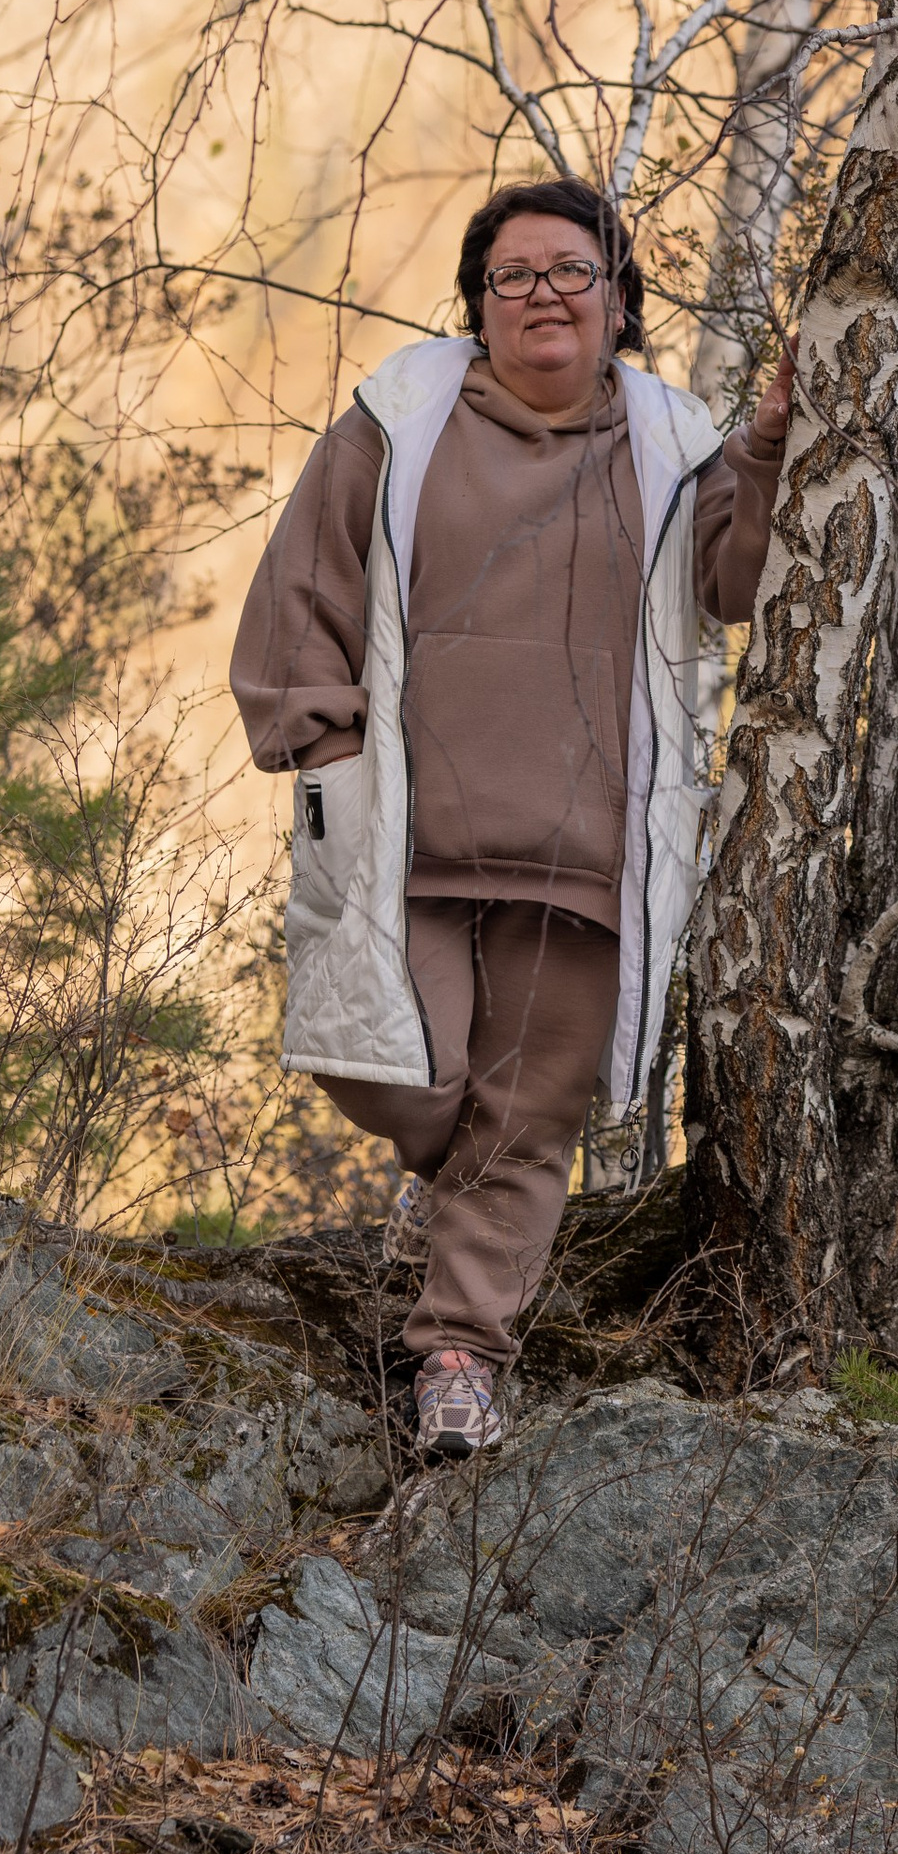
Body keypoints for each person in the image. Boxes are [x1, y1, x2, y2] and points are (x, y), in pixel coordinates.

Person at [231, 178, 790, 1458]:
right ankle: (454, 1195)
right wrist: (324, 755)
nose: (545, 293)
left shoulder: (675, 440)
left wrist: (763, 451)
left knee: (530, 1118)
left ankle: (459, 1358)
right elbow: (303, 591)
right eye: (514, 275)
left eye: (572, 271)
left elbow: (736, 580)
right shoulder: (397, 422)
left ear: (619, 303)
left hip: (589, 859)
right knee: (390, 1071)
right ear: (478, 307)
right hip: (409, 841)